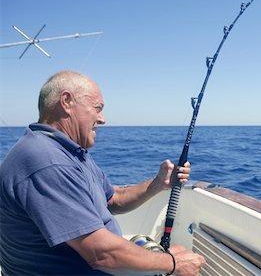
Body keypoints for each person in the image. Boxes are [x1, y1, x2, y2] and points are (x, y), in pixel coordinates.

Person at [0, 70, 206, 275]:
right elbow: (102, 254)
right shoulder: (47, 162)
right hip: (93, 265)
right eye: (97, 108)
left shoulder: (66, 152)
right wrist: (173, 264)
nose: (103, 118)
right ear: (66, 101)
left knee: (177, 252)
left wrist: (158, 184)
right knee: (181, 262)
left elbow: (113, 198)